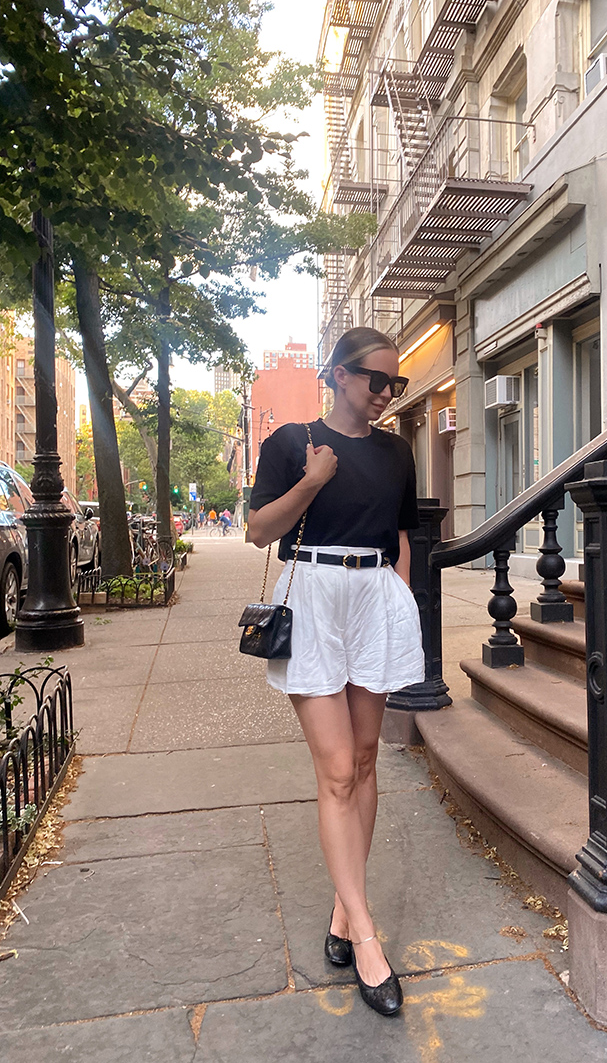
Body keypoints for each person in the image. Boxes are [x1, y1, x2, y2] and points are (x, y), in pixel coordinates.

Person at [247, 327, 424, 1017]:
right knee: (338, 770)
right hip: (315, 596)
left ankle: (342, 910)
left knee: (368, 757)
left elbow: (402, 534)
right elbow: (260, 531)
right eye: (375, 380)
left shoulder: (398, 452)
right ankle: (368, 935)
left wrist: (402, 597)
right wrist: (312, 482)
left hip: (374, 595)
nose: (385, 393)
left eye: (395, 384)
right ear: (338, 374)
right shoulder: (294, 442)